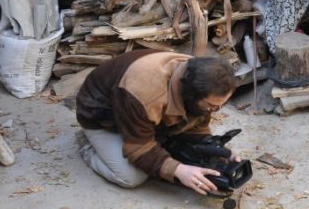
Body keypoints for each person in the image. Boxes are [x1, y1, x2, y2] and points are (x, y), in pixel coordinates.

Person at [75, 50, 239, 194]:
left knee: (180, 153)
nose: (215, 110)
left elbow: (196, 126)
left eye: (220, 105)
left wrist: (213, 149)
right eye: (211, 106)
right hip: (100, 115)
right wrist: (178, 170)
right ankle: (87, 143)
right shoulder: (143, 94)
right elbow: (139, 148)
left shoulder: (202, 78)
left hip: (137, 113)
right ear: (191, 95)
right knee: (131, 176)